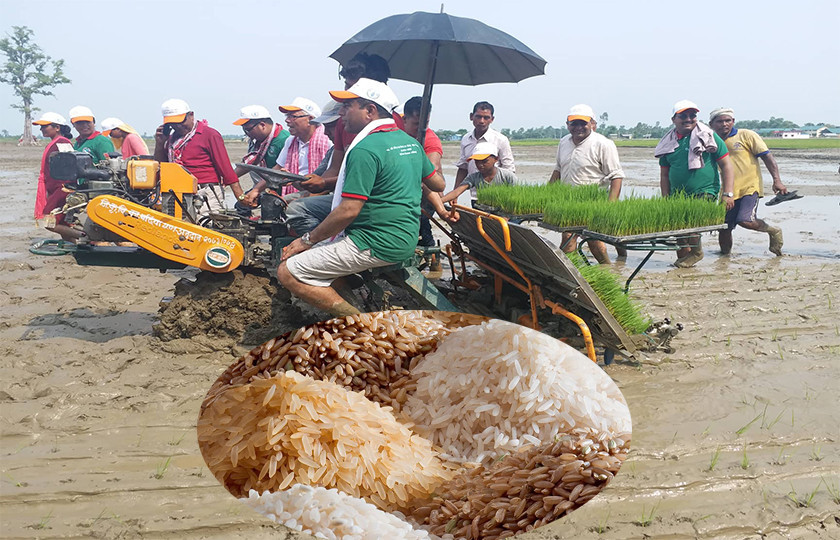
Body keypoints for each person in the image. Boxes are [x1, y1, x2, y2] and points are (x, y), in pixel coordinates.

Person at [276, 78, 445, 316]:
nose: (342, 113)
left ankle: (359, 323)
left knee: (288, 271)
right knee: (322, 266)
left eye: (348, 106)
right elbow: (438, 183)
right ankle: (356, 308)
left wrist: (306, 240)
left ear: (370, 110)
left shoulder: (365, 148)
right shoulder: (411, 144)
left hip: (375, 241)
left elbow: (348, 211)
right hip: (406, 237)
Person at [295, 53, 391, 197]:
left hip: (374, 198)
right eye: (346, 86)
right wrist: (315, 187)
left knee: (299, 209)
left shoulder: (390, 126)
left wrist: (323, 185)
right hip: (344, 191)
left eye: (353, 88)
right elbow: (334, 168)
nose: (347, 93)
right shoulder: (344, 122)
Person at [655, 100, 735, 268]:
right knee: (679, 231)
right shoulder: (668, 143)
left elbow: (726, 166)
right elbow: (664, 174)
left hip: (705, 190)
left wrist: (727, 194)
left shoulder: (707, 137)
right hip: (678, 193)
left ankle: (697, 252)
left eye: (692, 115)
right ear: (673, 119)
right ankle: (685, 265)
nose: (688, 119)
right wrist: (666, 198)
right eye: (683, 116)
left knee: (692, 223)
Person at [549, 104, 626, 264]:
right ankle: (573, 276)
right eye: (573, 123)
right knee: (568, 239)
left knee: (594, 241)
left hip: (593, 202)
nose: (578, 127)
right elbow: (558, 170)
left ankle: (608, 269)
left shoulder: (603, 144)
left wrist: (610, 206)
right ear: (567, 124)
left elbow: (616, 177)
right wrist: (546, 196)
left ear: (592, 123)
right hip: (568, 201)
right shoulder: (564, 142)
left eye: (583, 123)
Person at [708, 108, 786, 256]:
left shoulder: (746, 135)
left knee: (746, 220)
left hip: (750, 186)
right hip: (727, 190)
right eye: (720, 121)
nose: (724, 124)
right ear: (711, 124)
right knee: (724, 227)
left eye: (728, 120)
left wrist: (777, 180)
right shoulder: (711, 141)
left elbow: (767, 157)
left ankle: (772, 230)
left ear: (733, 122)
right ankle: (724, 257)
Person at [153, 98, 245, 217]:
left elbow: (225, 169)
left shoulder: (209, 135)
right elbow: (162, 166)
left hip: (205, 193)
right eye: (172, 124)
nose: (178, 127)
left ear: (191, 115)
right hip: (177, 192)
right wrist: (160, 143)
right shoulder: (171, 140)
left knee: (204, 227)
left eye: (181, 122)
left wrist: (240, 196)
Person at [246, 98, 331, 199]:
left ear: (310, 119)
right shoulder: (291, 141)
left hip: (322, 192)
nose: (287, 120)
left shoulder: (327, 141)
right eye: (287, 116)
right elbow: (277, 169)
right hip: (297, 188)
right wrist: (256, 190)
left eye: (293, 116)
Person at [283, 100, 342, 234]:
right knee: (279, 202)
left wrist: (310, 196)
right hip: (331, 192)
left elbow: (329, 182)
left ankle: (316, 244)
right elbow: (321, 177)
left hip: (344, 197)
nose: (326, 132)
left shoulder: (327, 142)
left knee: (296, 208)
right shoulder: (334, 150)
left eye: (293, 116)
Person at [400, 96, 444, 246]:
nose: (421, 129)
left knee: (419, 223)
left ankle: (430, 252)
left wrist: (441, 210)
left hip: (428, 194)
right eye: (417, 124)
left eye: (425, 124)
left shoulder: (431, 140)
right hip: (405, 192)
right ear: (404, 119)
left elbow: (428, 172)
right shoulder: (398, 134)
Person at [32, 112, 79, 242]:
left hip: (62, 189)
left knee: (50, 222)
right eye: (41, 127)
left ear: (57, 127)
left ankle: (84, 236)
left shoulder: (62, 143)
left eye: (45, 126)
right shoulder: (56, 143)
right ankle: (72, 247)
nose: (41, 129)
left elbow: (69, 168)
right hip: (56, 189)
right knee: (62, 222)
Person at [233, 105, 290, 213]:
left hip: (279, 189)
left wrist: (256, 190)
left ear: (262, 125)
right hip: (264, 186)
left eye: (248, 129)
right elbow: (249, 164)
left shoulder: (283, 140)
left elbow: (277, 171)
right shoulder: (256, 141)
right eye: (244, 130)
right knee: (241, 205)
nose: (247, 133)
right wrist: (228, 178)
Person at [454, 101, 515, 201]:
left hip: (497, 196)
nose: (481, 121)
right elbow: (463, 167)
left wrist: (507, 197)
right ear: (471, 116)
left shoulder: (500, 140)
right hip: (475, 195)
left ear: (492, 119)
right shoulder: (466, 139)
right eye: (478, 117)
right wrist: (455, 193)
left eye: (486, 118)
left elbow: (509, 169)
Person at [439, 142, 517, 205]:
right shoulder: (474, 177)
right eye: (477, 161)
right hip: (484, 209)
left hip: (504, 210)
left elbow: (516, 197)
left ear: (496, 159)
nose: (480, 165)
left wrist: (506, 217)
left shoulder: (507, 176)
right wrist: (439, 202)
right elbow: (457, 191)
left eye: (484, 161)